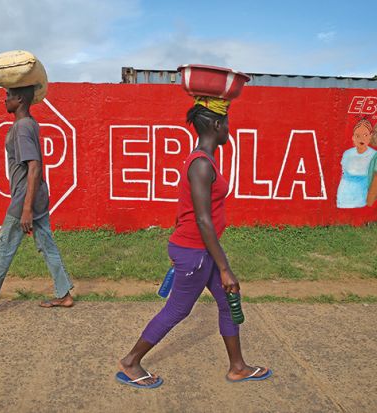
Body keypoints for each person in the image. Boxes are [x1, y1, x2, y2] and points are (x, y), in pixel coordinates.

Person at [116, 97, 272, 389]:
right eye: (226, 123)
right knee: (177, 310)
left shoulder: (204, 160)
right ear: (216, 124)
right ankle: (130, 362)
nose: (229, 129)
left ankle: (238, 367)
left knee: (228, 300)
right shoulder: (201, 164)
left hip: (201, 249)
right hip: (194, 252)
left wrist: (221, 263)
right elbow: (202, 220)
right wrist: (224, 268)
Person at [0, 86, 74, 316]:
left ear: (19, 99)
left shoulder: (21, 128)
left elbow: (34, 166)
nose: (5, 100)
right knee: (47, 245)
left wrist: (26, 208)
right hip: (37, 194)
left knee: (4, 247)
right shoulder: (30, 123)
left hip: (25, 197)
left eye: (8, 96)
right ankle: (64, 294)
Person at [336, 119, 376, 208]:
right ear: (353, 138)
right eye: (357, 136)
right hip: (345, 193)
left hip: (363, 193)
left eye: (365, 135)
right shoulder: (347, 154)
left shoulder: (374, 155)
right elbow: (343, 171)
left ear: (370, 136)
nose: (361, 139)